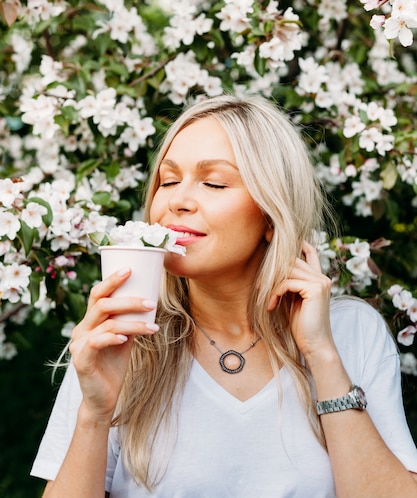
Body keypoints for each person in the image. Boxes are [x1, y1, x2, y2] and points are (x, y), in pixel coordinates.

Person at [31, 94, 417, 497]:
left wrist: (321, 355)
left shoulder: (351, 330)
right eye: (169, 180)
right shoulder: (121, 338)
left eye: (214, 182)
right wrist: (94, 413)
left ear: (271, 214)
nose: (177, 201)